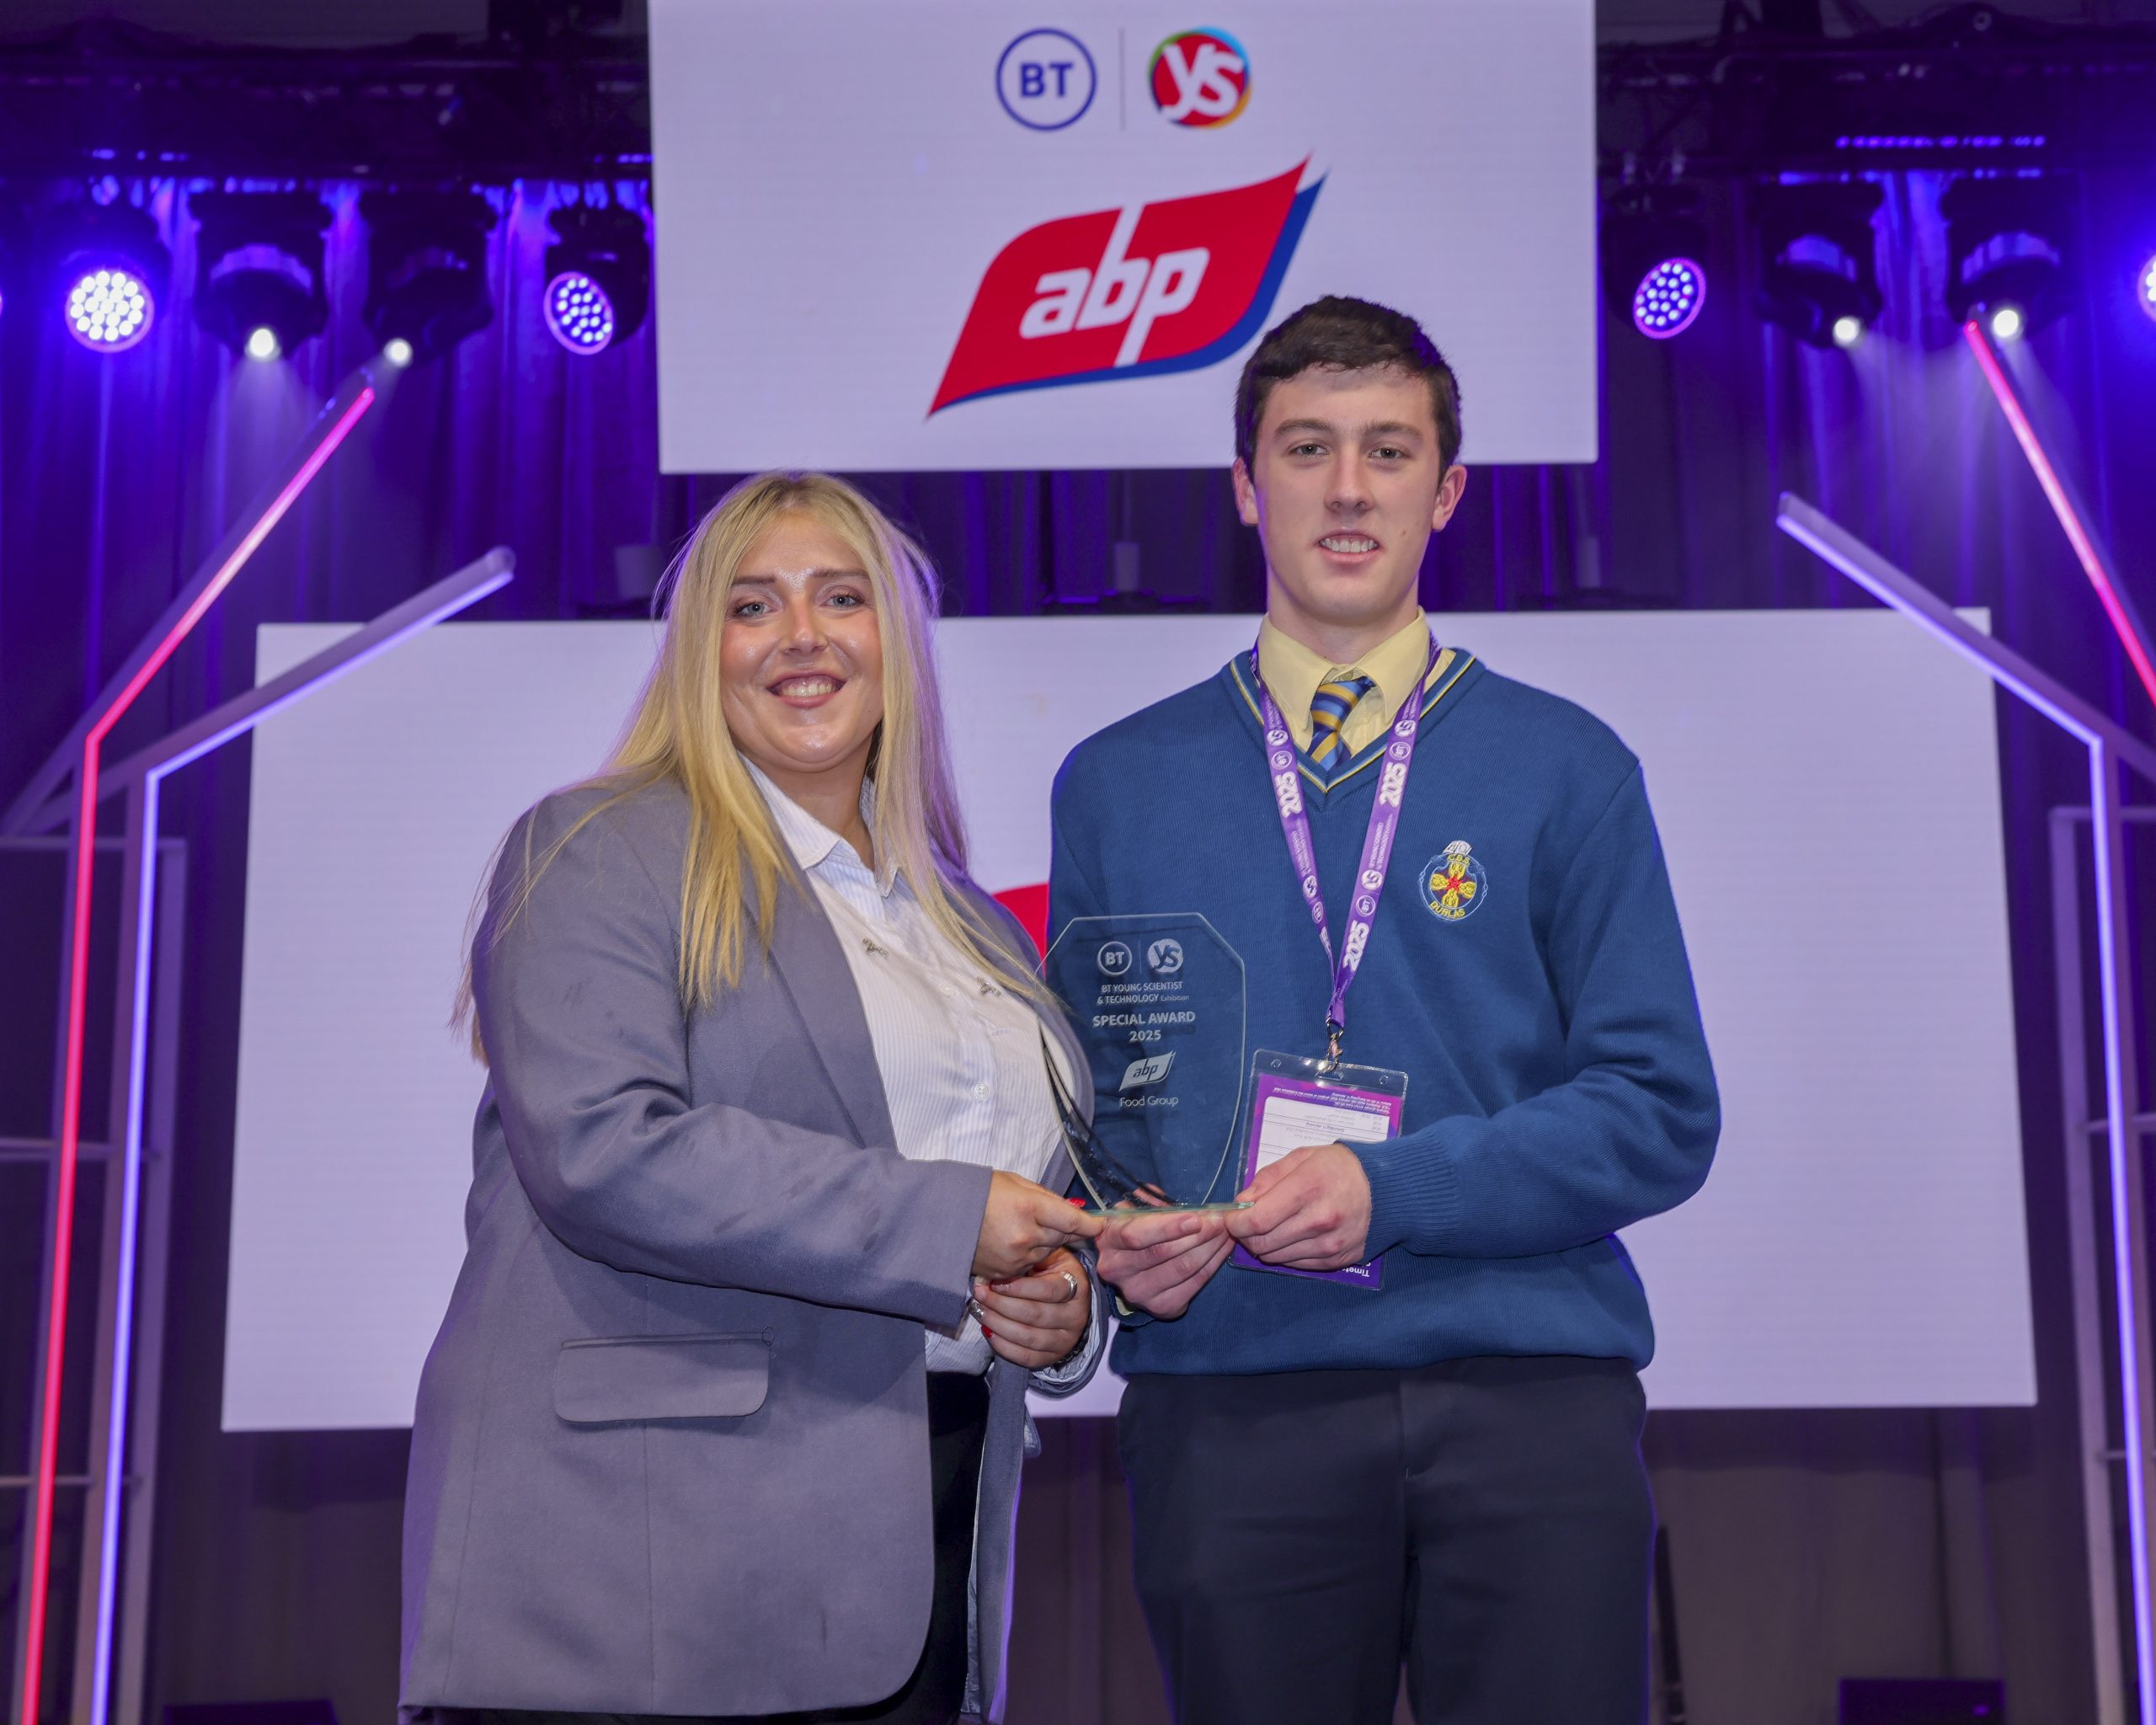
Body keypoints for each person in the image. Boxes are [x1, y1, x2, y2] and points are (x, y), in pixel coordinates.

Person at [1053, 296, 1721, 1724]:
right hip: (1234, 1401)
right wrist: (1124, 1241)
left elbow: (1660, 1111)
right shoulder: (1116, 781)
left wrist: (1391, 1187)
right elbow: (1092, 1112)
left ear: (1447, 491)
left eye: (1388, 451)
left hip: (1529, 1397)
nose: (1348, 489)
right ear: (1246, 486)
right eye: (1306, 448)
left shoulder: (1569, 767)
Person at [401, 472, 1106, 1725]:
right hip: (656, 1564)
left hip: (927, 1539)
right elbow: (605, 1149)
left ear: (899, 644)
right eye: (753, 605)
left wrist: (1056, 1305)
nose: (802, 638)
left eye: (843, 599)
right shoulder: (593, 848)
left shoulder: (976, 928)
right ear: (698, 652)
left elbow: (1017, 1190)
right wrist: (953, 1229)